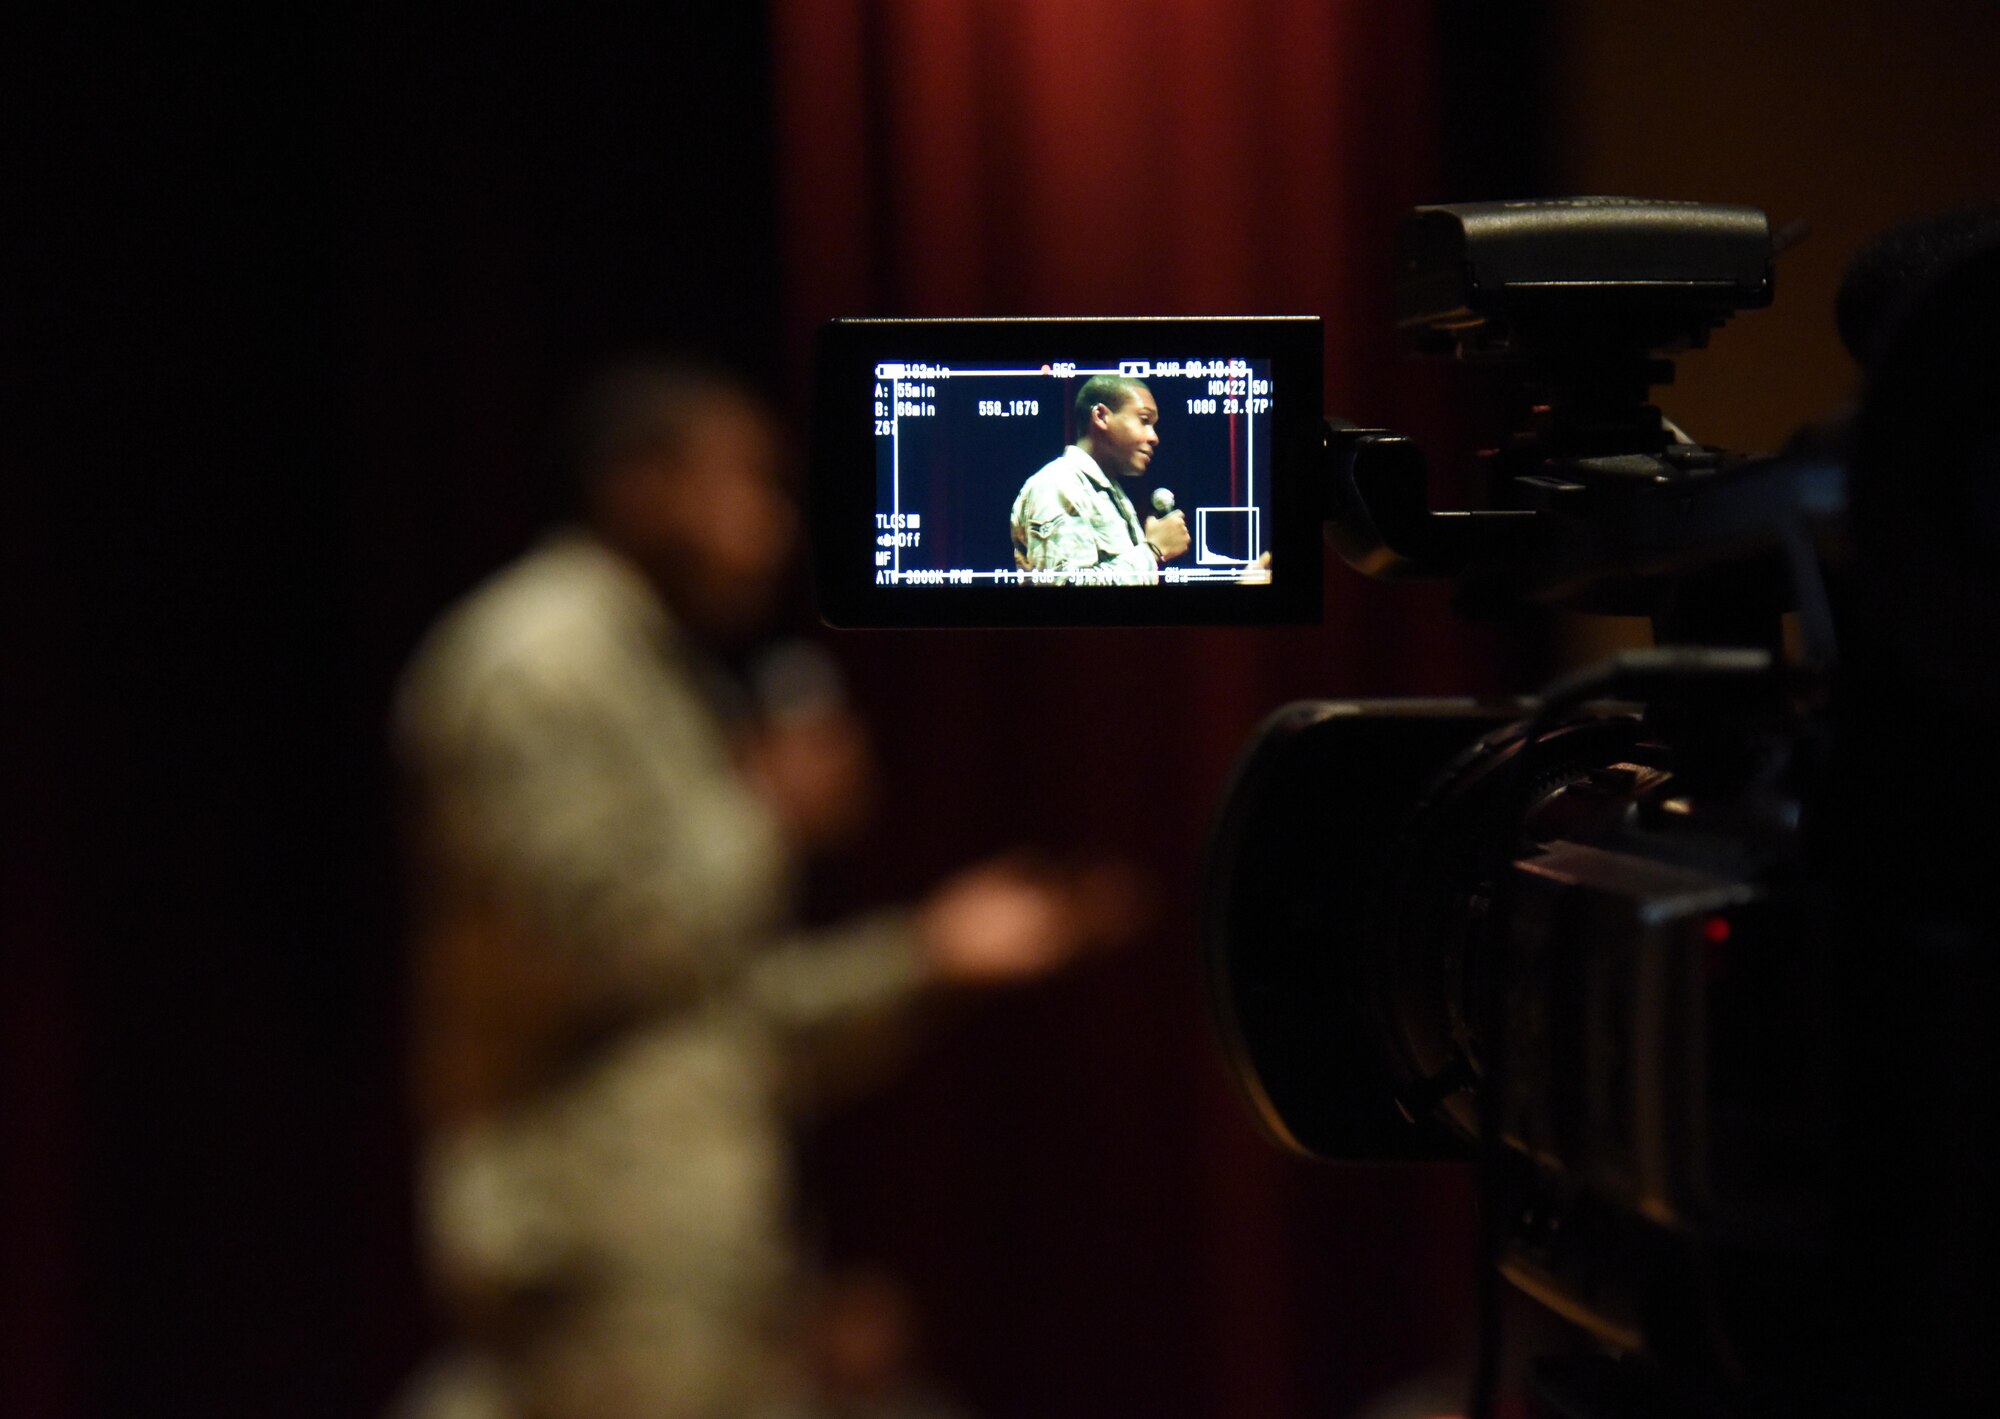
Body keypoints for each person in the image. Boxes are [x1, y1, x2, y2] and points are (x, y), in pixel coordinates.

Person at [391, 361, 1111, 1419]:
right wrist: (768, 812)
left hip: (686, 1240)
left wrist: (929, 954)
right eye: (747, 487)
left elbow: (717, 1010)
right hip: (600, 1243)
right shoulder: (537, 664)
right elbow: (599, 952)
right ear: (641, 488)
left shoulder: (644, 669)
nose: (773, 528)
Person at [1008, 374, 1189, 583]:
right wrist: (1152, 550)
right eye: (1144, 420)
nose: (1154, 437)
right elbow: (1066, 583)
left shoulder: (1107, 491)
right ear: (1101, 416)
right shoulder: (1058, 483)